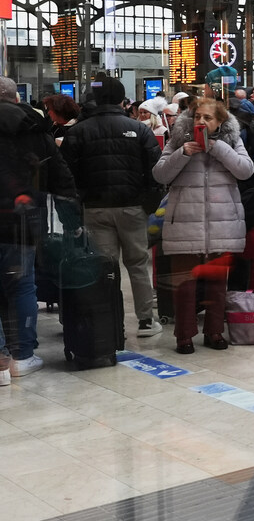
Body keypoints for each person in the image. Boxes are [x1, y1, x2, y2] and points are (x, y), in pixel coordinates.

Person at [59, 74, 164, 338]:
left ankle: (109, 323)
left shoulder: (78, 132)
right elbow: (156, 171)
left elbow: (66, 175)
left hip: (95, 208)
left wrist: (77, 207)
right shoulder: (139, 129)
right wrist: (147, 205)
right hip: (133, 208)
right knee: (138, 264)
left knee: (106, 268)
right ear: (121, 100)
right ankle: (146, 321)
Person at [153, 97, 254, 354]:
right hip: (184, 222)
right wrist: (183, 153)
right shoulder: (179, 140)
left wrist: (218, 148)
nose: (201, 121)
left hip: (222, 223)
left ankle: (214, 332)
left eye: (208, 117)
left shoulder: (232, 140)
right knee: (184, 285)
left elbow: (246, 170)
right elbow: (160, 174)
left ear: (220, 121)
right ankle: (184, 336)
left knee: (217, 285)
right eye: (197, 116)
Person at [0, 77, 79, 380]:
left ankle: (0, 361)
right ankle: (22, 357)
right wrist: (72, 220)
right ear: (17, 98)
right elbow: (61, 176)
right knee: (22, 286)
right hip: (23, 221)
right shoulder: (35, 128)